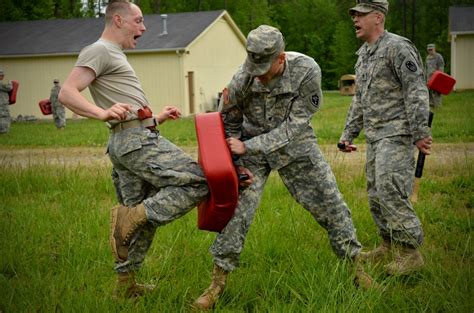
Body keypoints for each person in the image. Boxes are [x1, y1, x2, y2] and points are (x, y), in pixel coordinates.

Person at [59, 0, 253, 299]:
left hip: (129, 139)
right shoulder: (99, 50)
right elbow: (67, 92)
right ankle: (132, 216)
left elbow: (122, 103)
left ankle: (125, 285)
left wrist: (154, 118)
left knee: (137, 222)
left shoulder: (113, 54)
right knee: (201, 182)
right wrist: (101, 113)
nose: (144, 27)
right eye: (138, 20)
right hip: (135, 143)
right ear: (119, 20)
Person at [193, 25, 376, 310]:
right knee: (235, 214)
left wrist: (248, 147)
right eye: (255, 66)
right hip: (251, 150)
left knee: (331, 203)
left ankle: (356, 268)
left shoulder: (307, 71)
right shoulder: (242, 79)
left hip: (295, 147)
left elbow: (296, 125)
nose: (260, 75)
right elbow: (228, 124)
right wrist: (237, 165)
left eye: (265, 67)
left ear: (281, 57)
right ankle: (216, 285)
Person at [338, 0, 432, 276]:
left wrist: (420, 133)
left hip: (397, 132)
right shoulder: (364, 54)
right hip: (376, 136)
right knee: (376, 194)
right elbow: (360, 99)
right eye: (354, 15)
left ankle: (410, 254)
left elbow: (415, 91)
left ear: (378, 17)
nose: (355, 19)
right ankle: (389, 245)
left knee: (391, 190)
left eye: (361, 15)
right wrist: (348, 133)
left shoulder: (398, 48)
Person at [425, 43, 445, 108]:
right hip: (429, 78)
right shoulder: (427, 57)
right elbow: (426, 68)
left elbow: (441, 67)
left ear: (434, 49)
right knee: (429, 92)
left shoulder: (438, 56)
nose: (430, 51)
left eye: (431, 49)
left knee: (436, 92)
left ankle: (437, 105)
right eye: (429, 50)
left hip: (436, 77)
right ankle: (431, 104)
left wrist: (439, 76)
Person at [0, 69, 13, 134]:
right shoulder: (1, 84)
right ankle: (3, 132)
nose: (3, 76)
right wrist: (10, 82)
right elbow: (9, 87)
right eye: (2, 75)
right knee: (4, 117)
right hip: (2, 104)